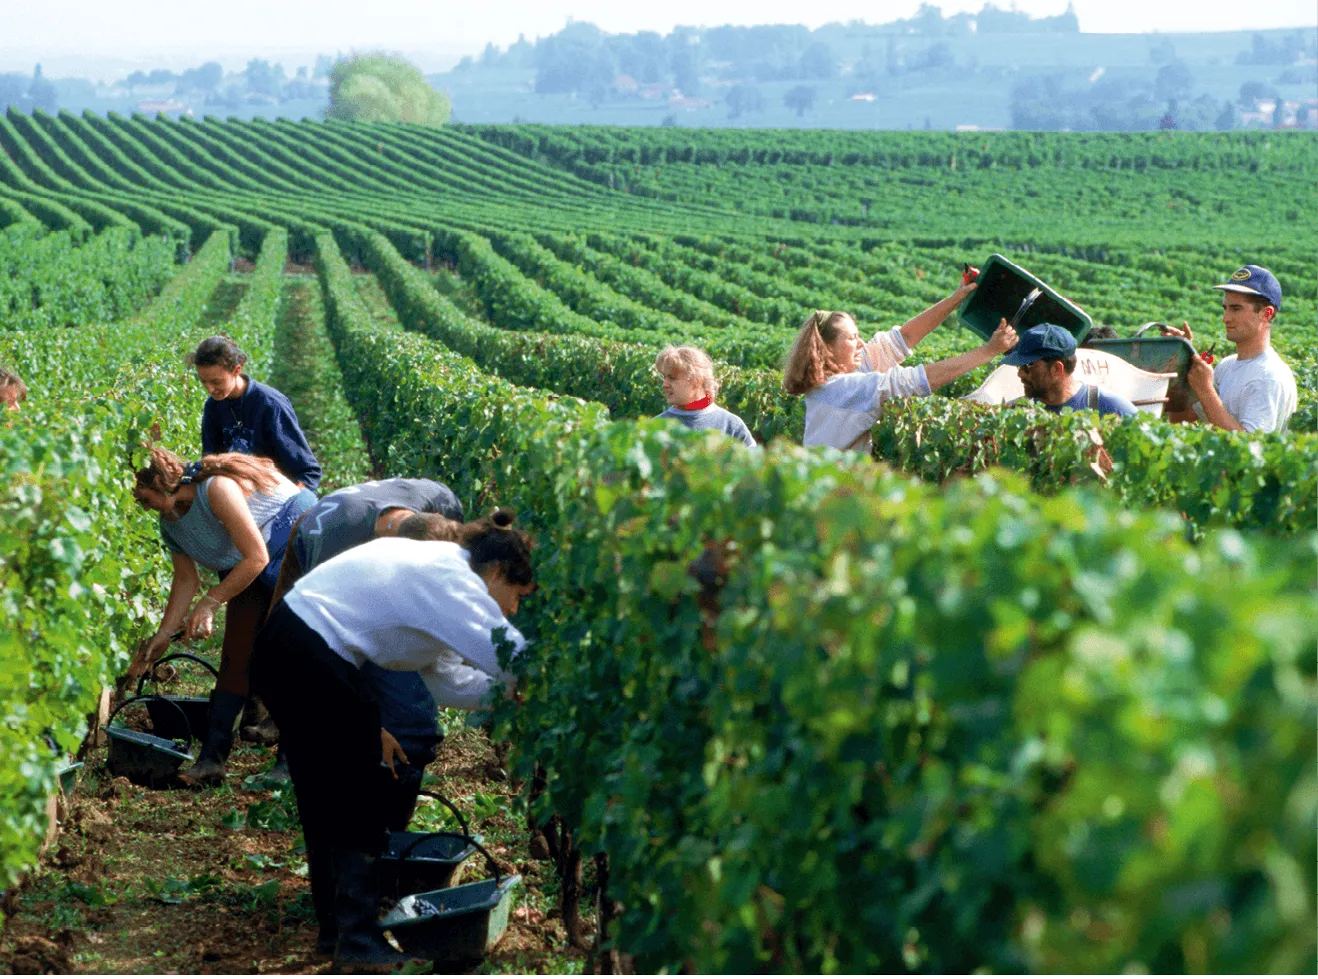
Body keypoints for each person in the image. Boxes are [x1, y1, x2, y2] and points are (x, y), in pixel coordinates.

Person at [251, 509, 535, 970]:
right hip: (309, 650)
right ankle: (358, 940)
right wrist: (559, 681)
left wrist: (510, 698)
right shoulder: (452, 577)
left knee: (328, 795)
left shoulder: (437, 571)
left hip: (289, 646)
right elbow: (508, 656)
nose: (513, 610)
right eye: (516, 596)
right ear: (498, 571)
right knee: (356, 793)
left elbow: (446, 682)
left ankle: (338, 934)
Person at [265, 478, 467, 819]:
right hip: (313, 544)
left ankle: (384, 811)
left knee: (410, 718)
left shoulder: (441, 501)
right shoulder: (336, 552)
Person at [132, 447, 316, 784]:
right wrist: (163, 633)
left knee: (289, 648)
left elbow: (257, 557)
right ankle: (211, 763)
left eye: (142, 496)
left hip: (291, 537)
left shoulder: (217, 489)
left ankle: (290, 764)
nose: (140, 504)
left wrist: (212, 602)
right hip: (252, 558)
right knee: (236, 653)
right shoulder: (170, 525)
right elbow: (186, 579)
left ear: (159, 483)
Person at [782, 282, 1018, 451]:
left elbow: (903, 338)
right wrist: (988, 351)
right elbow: (918, 381)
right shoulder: (842, 389)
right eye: (852, 338)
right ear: (827, 349)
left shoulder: (840, 376)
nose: (861, 344)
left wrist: (956, 299)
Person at [1160, 265, 1297, 433]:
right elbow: (1181, 419)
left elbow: (1251, 450)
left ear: (1266, 313)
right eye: (1225, 308)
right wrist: (1183, 358)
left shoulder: (1268, 377)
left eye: (1236, 309)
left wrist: (1205, 390)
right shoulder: (1227, 366)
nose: (1226, 318)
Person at [192, 336, 322, 489]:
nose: (210, 389)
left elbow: (308, 472)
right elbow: (211, 461)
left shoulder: (270, 405)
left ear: (236, 370)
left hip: (274, 492)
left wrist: (294, 503)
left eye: (216, 382)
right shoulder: (213, 406)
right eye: (203, 381)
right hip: (235, 493)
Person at [1005, 324, 1138, 417]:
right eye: (1019, 366)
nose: (1020, 373)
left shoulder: (1114, 409)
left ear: (1057, 369)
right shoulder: (1012, 413)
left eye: (1027, 366)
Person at [653, 345, 756, 446]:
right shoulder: (656, 427)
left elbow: (754, 461)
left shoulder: (731, 425)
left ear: (697, 379)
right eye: (664, 377)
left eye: (672, 378)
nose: (664, 384)